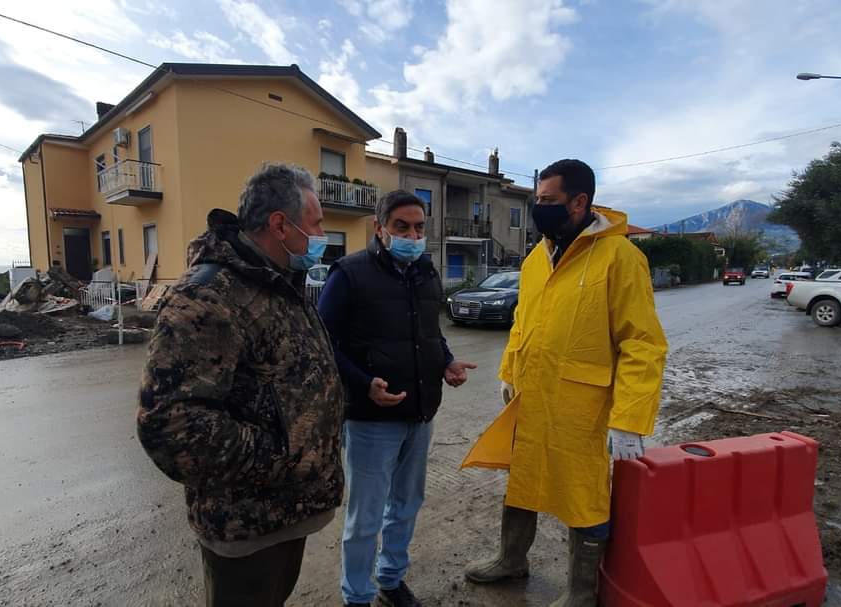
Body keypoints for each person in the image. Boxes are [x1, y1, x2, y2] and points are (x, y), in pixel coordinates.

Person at [136, 164, 345, 607]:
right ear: (279, 225)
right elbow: (170, 425)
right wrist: (283, 459)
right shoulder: (209, 295)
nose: (323, 233)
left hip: (287, 512)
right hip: (247, 525)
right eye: (317, 223)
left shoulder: (277, 283)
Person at [462, 159, 667, 606]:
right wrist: (509, 372)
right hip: (531, 396)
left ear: (580, 201)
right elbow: (524, 321)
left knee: (583, 495)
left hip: (584, 405)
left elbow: (643, 343)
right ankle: (511, 559)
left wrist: (630, 418)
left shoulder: (621, 257)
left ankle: (581, 592)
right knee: (523, 479)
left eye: (548, 201)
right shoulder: (538, 258)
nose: (539, 209)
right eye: (537, 200)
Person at [318, 190, 477, 607]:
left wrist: (447, 362)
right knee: (365, 518)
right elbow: (322, 343)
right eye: (402, 227)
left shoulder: (426, 272)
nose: (413, 234)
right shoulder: (349, 273)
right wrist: (362, 382)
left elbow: (431, 334)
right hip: (370, 420)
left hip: (420, 414)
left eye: (420, 227)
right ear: (380, 228)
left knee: (406, 505)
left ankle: (390, 580)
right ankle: (357, 596)